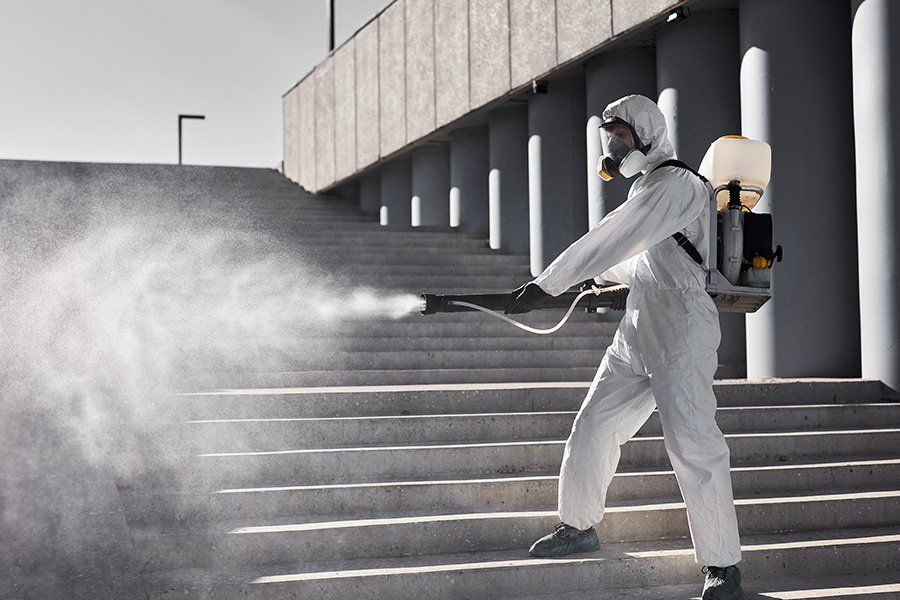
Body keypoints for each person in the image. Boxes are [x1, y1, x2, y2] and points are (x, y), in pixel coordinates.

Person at [505, 95, 743, 600]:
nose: (613, 145)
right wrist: (593, 287)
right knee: (594, 425)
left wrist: (548, 284)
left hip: (682, 328)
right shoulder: (650, 189)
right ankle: (579, 525)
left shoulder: (676, 184)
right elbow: (634, 261)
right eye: (608, 136)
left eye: (622, 135)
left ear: (648, 133)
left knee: (693, 445)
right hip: (640, 327)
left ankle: (723, 565)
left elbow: (613, 237)